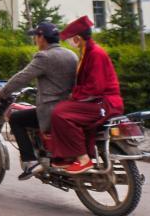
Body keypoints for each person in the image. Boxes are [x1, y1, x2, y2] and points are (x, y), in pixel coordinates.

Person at [0, 21, 78, 180]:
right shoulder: (71, 55)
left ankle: (30, 161)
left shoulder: (45, 56)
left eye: (36, 36)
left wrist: (1, 93)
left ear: (42, 38)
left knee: (16, 118)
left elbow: (22, 77)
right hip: (69, 109)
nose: (35, 40)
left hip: (51, 112)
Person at [50, 16, 124, 175]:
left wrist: (73, 95)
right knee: (63, 109)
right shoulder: (86, 52)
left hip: (105, 103)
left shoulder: (95, 53)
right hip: (98, 101)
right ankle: (70, 156)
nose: (69, 42)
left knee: (59, 113)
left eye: (71, 39)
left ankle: (82, 158)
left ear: (77, 38)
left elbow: (95, 87)